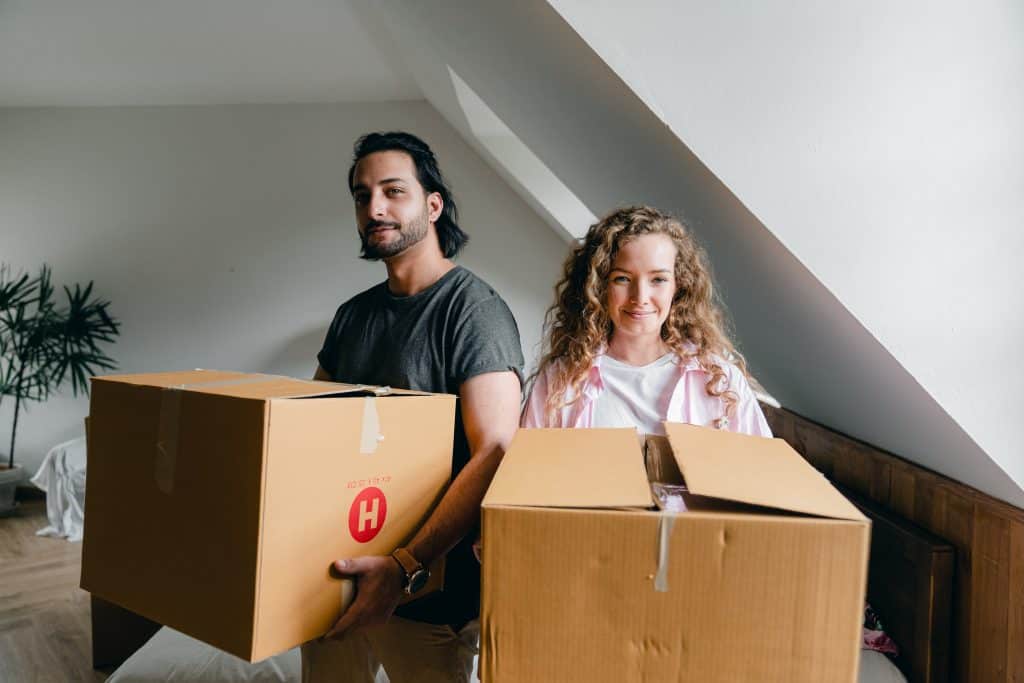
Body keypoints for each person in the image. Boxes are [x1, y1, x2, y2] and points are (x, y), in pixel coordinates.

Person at [304, 131, 523, 683]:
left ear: (432, 205)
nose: (374, 207)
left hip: (426, 593)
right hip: (337, 575)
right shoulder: (351, 316)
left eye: (393, 190)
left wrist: (403, 567)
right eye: (361, 195)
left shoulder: (473, 312)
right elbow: (307, 430)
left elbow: (496, 452)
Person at [522, 205, 770, 437]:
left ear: (679, 285)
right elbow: (527, 474)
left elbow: (762, 473)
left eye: (658, 279)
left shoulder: (722, 381)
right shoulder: (558, 382)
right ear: (599, 286)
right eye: (622, 279)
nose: (640, 297)